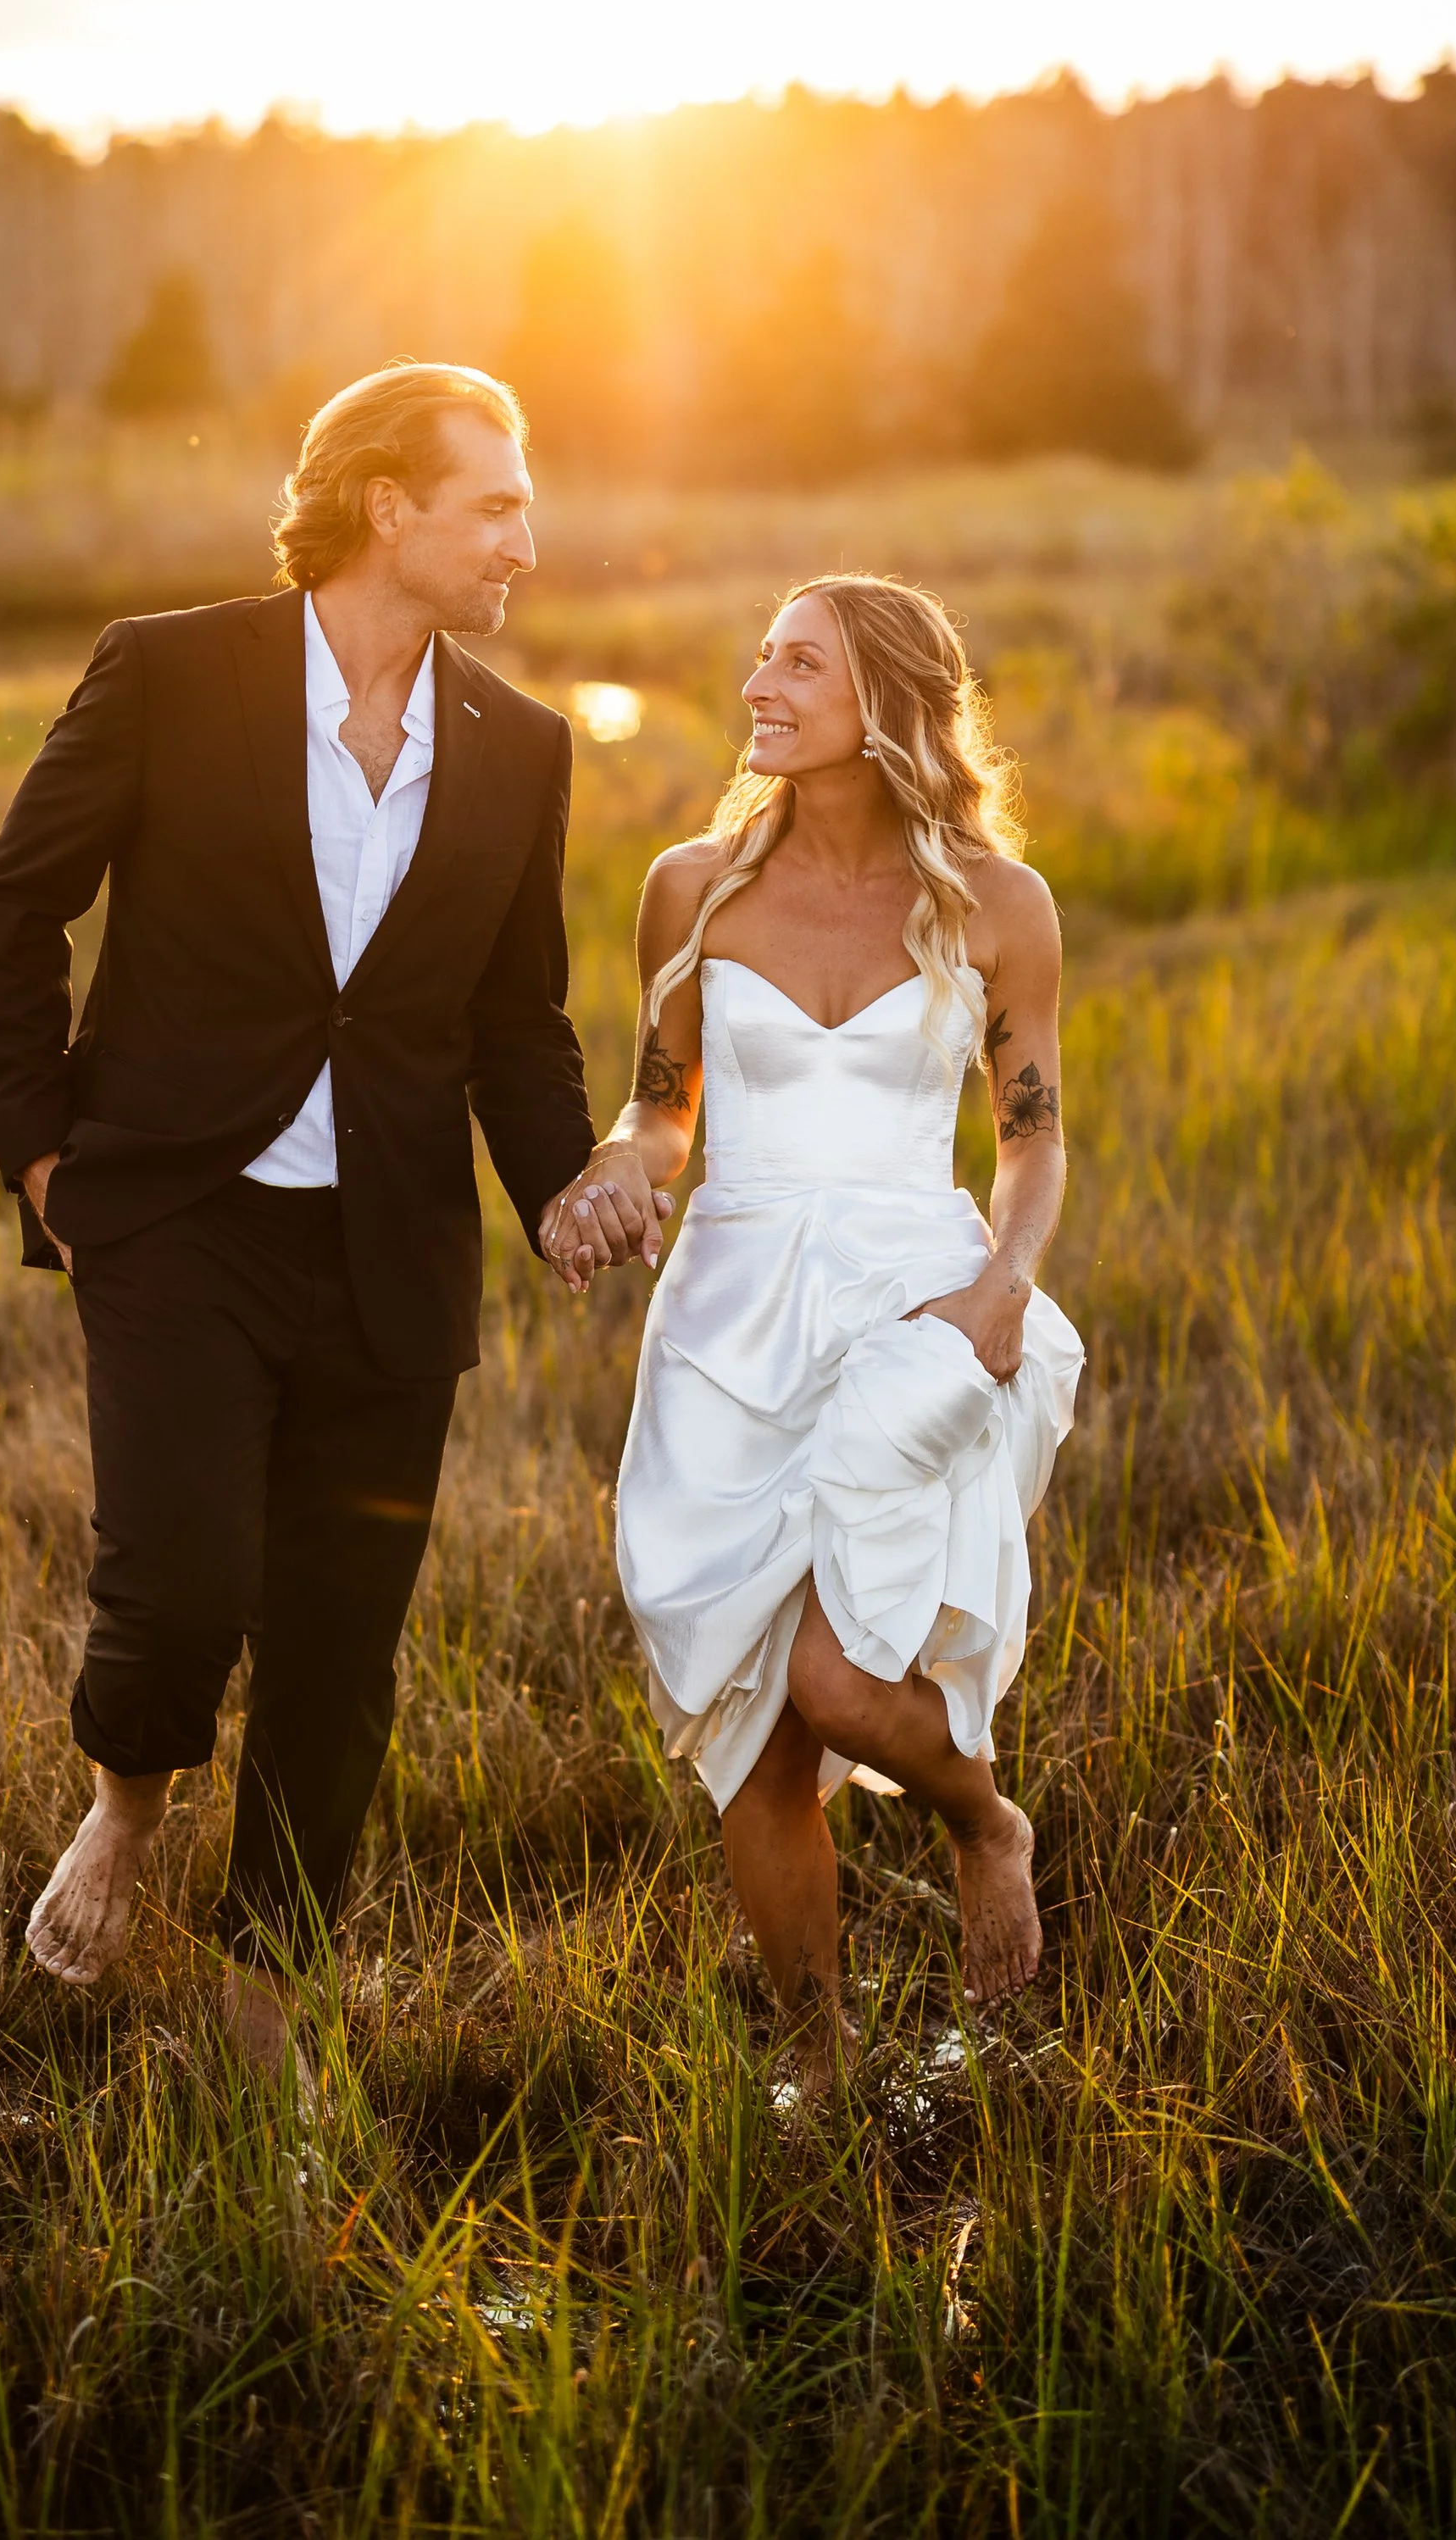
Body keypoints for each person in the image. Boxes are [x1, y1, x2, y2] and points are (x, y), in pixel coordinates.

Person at [0, 362, 664, 2071]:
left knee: (342, 1649)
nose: (523, 537)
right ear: (385, 507)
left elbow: (512, 1015)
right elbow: (16, 905)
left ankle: (269, 1999)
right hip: (178, 1216)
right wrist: (46, 1157)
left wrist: (562, 1185)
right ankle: (127, 1811)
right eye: (493, 503)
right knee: (187, 1574)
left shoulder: (521, 747)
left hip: (386, 1254)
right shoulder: (169, 670)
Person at [557, 574, 1082, 2086]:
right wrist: (613, 1169)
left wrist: (1004, 1282)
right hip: (728, 1318)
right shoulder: (693, 887)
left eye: (801, 662)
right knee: (760, 1727)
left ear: (890, 703)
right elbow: (663, 1118)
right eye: (762, 656)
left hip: (913, 1308)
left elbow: (1034, 1135)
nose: (758, 682)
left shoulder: (999, 903)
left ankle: (987, 1820)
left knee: (848, 1683)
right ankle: (822, 2068)